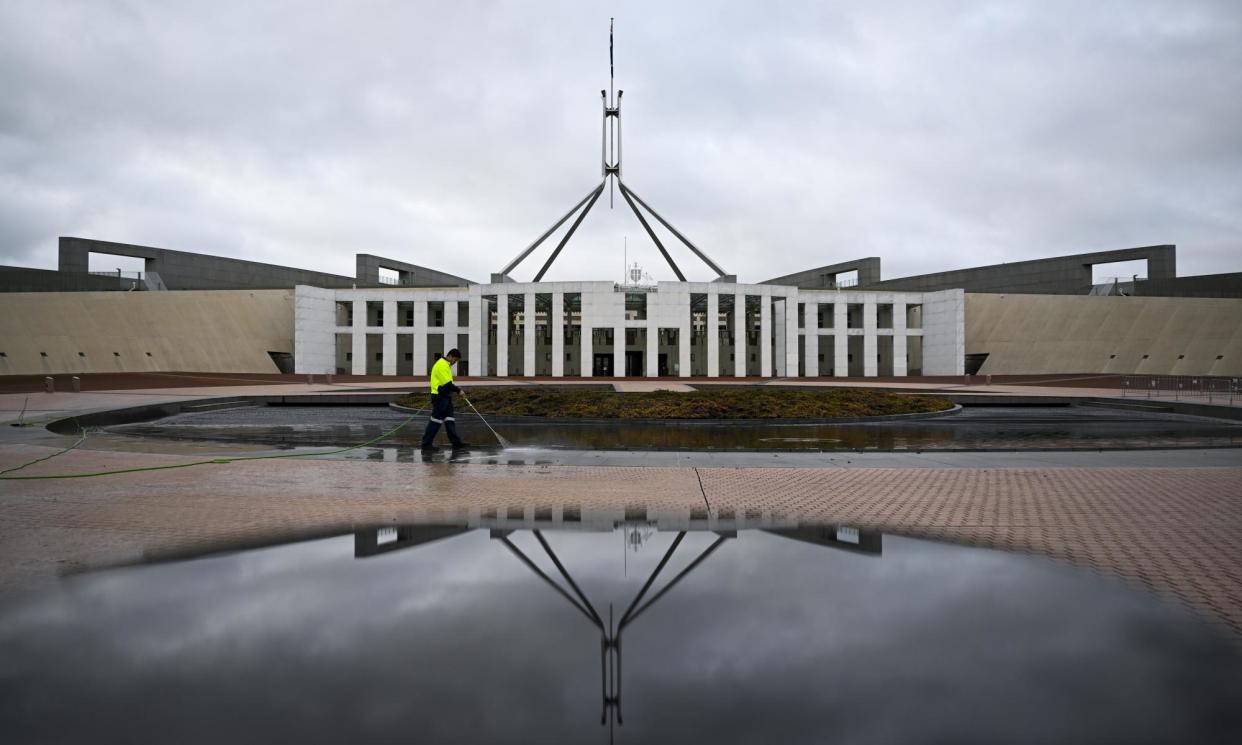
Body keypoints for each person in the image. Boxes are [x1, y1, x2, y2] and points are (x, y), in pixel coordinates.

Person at [420, 349, 469, 451]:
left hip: (445, 396)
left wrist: (455, 391)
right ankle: (426, 444)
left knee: (449, 419)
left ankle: (456, 443)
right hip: (439, 397)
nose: (455, 362)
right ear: (450, 356)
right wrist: (459, 390)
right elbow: (447, 384)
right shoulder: (442, 365)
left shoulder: (446, 365)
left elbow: (447, 384)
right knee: (436, 420)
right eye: (455, 360)